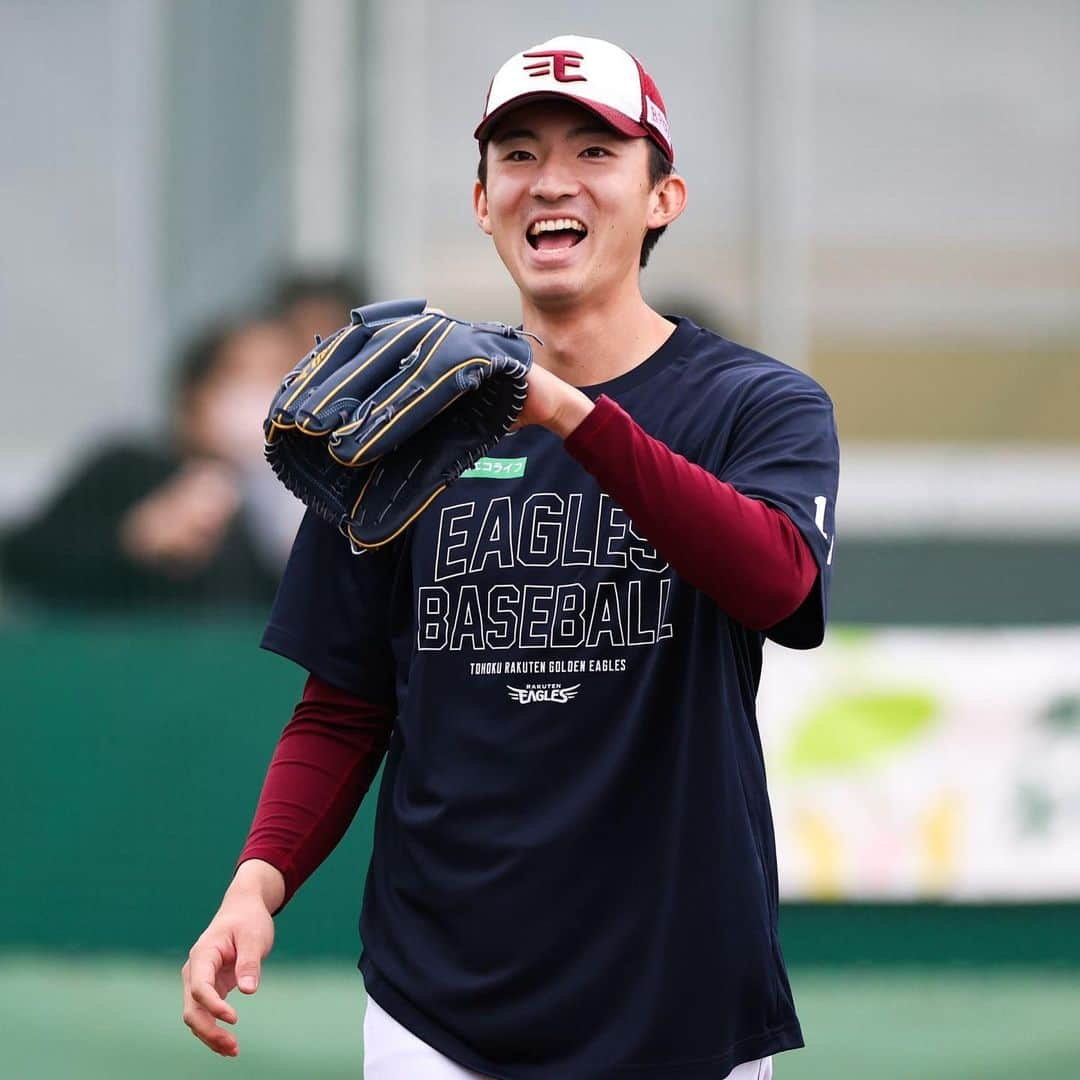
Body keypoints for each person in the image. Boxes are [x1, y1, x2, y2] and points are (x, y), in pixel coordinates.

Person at [182, 34, 839, 1079]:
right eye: (519, 155)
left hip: (681, 995)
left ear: (663, 197)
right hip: (438, 1008)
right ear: (482, 201)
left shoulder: (755, 405)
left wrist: (570, 415)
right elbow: (346, 703)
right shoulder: (403, 414)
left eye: (595, 152)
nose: (551, 182)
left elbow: (779, 584)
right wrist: (256, 882)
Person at [1, 317, 299, 612]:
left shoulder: (298, 500)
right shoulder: (128, 470)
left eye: (282, 375)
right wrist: (133, 540)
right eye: (244, 375)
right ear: (195, 395)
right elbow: (24, 559)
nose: (268, 393)